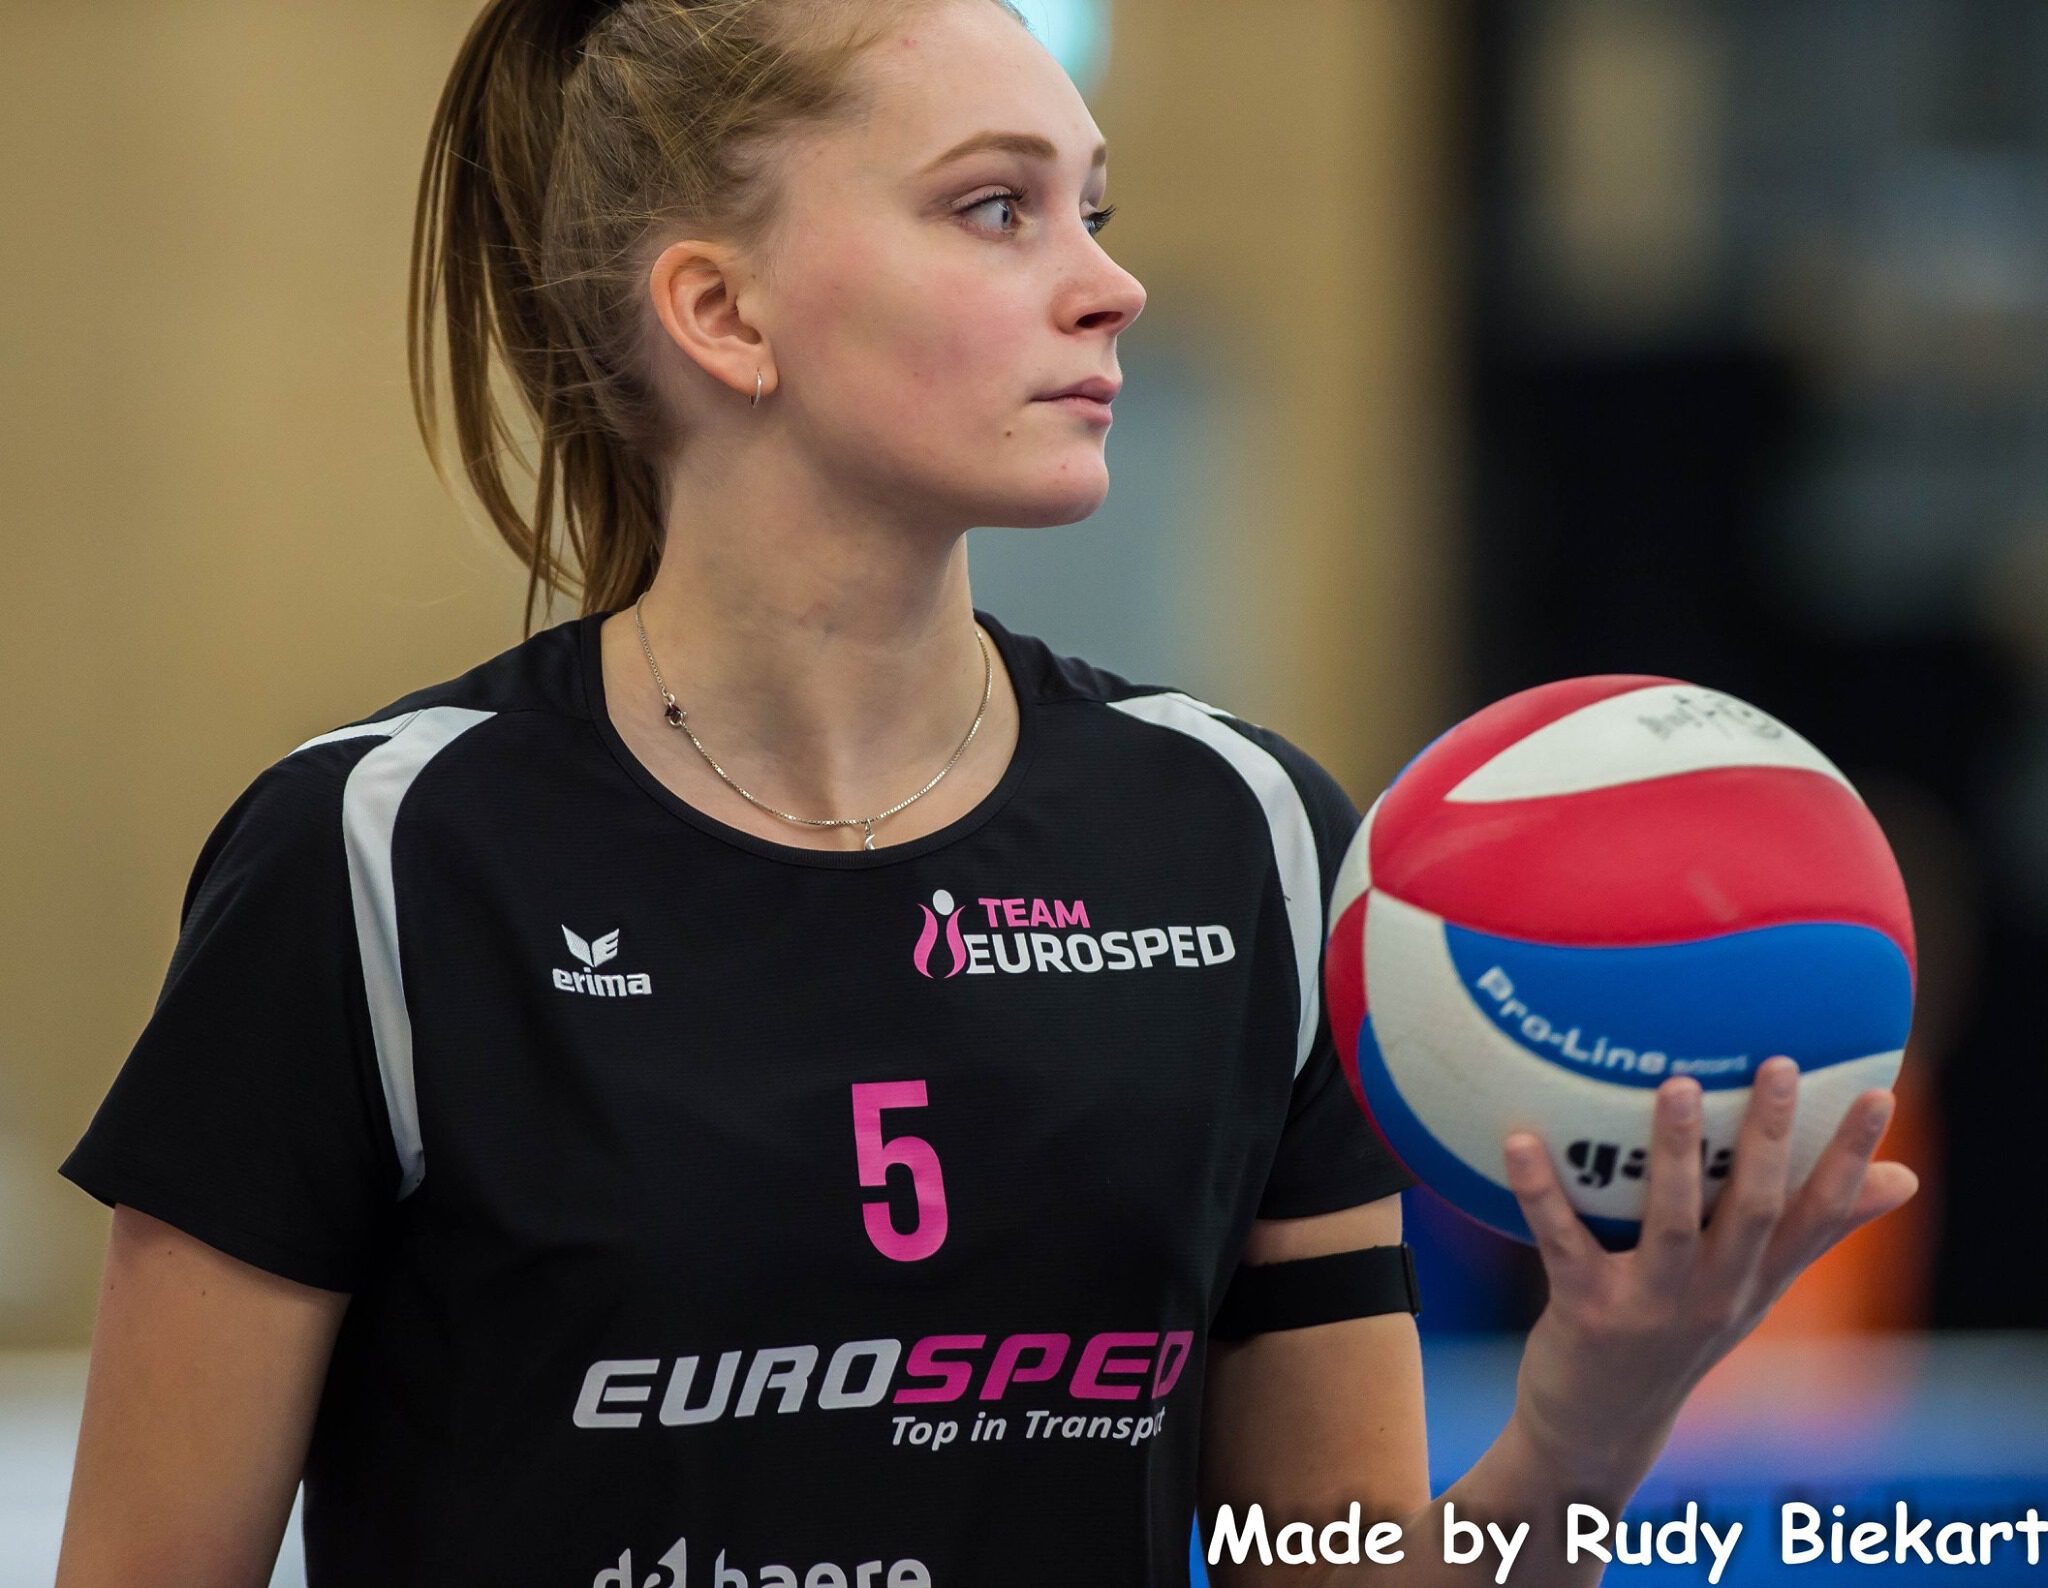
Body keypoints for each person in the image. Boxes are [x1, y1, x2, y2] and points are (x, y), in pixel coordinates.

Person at [52, 1, 1919, 1584]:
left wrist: (1597, 1413)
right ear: (722, 311)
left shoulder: (1252, 843)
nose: (1109, 285)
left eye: (1091, 208)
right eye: (996, 208)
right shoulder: (378, 864)